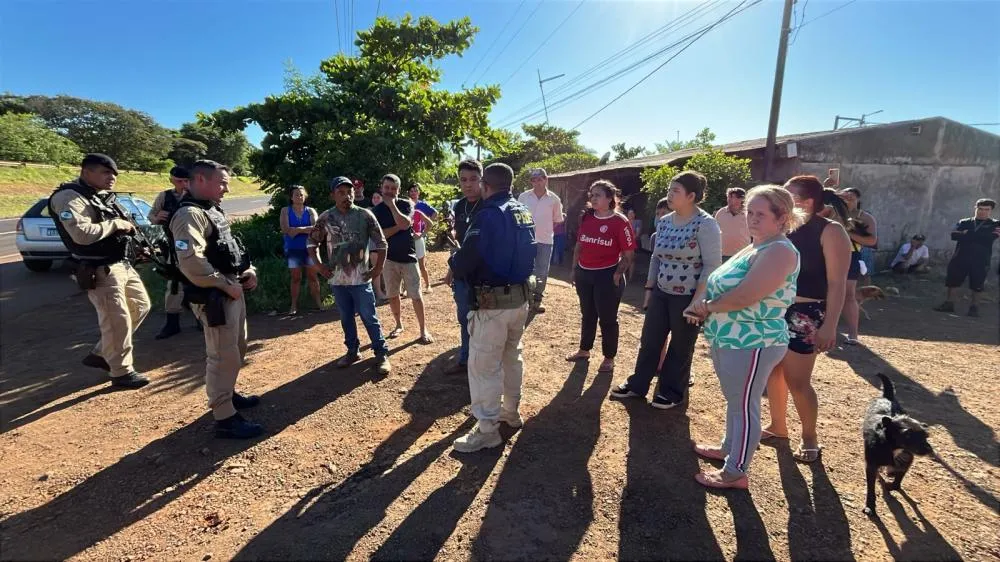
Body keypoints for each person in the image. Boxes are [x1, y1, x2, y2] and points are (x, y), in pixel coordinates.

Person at [687, 185, 803, 489]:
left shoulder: (779, 249)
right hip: (733, 337)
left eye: (760, 214)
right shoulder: (758, 245)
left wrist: (707, 307)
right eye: (750, 212)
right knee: (736, 400)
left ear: (782, 218)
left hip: (754, 340)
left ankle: (736, 470)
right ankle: (730, 448)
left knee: (744, 404)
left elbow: (747, 295)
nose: (752, 218)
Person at [610, 171, 722, 409]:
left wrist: (699, 299)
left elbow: (712, 265)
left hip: (689, 296)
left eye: (675, 191)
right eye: (669, 190)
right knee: (650, 340)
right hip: (661, 291)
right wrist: (649, 289)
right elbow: (656, 259)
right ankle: (638, 384)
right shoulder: (664, 221)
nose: (669, 195)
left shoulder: (706, 224)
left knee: (681, 346)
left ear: (691, 196)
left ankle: (671, 392)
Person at [170, 160, 262, 438]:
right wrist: (225, 285)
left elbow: (229, 250)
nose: (227, 188)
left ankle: (229, 393)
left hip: (230, 287)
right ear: (200, 179)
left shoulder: (212, 210)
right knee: (222, 354)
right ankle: (224, 417)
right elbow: (192, 262)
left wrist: (247, 271)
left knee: (236, 347)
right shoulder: (188, 215)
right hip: (214, 294)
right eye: (222, 182)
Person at [763, 175, 851, 463]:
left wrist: (830, 325)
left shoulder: (830, 231)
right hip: (775, 310)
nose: (780, 201)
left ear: (807, 202)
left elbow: (837, 284)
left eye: (787, 196)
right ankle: (778, 426)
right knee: (773, 372)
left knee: (798, 381)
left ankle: (809, 436)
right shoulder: (782, 228)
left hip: (807, 313)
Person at [449, 162, 536, 452]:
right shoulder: (522, 210)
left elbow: (465, 261)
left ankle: (487, 429)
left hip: (492, 305)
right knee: (512, 357)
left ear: (486, 185)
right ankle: (510, 412)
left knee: (484, 366)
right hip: (520, 300)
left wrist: (454, 262)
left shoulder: (487, 214)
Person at [49, 153, 151, 389]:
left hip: (122, 263)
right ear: (86, 172)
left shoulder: (101, 197)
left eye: (114, 173)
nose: (112, 177)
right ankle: (121, 372)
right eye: (106, 172)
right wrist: (116, 224)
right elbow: (82, 234)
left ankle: (102, 353)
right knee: (117, 320)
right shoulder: (69, 197)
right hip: (98, 268)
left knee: (140, 306)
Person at [308, 177, 391, 374]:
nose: (347, 196)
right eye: (341, 192)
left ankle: (381, 354)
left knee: (369, 317)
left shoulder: (365, 215)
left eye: (350, 192)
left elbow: (382, 243)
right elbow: (311, 244)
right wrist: (319, 266)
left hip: (361, 278)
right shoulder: (326, 218)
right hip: (337, 280)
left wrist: (378, 268)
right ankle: (352, 351)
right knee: (346, 317)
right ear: (333, 195)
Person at [565, 180, 637, 373]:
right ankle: (584, 350)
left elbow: (628, 254)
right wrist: (574, 269)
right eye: (591, 194)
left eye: (597, 195)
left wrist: (617, 274)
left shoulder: (620, 222)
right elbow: (580, 245)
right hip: (584, 273)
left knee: (607, 318)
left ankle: (609, 357)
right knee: (587, 314)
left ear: (609, 198)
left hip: (607, 275)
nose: (593, 198)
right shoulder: (587, 218)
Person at [372, 174, 432, 343]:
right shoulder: (376, 211)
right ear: (382, 188)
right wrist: (398, 227)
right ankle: (398, 324)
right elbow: (380, 235)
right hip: (388, 259)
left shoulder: (406, 203)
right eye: (387, 188)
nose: (389, 191)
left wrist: (392, 206)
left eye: (393, 188)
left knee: (416, 295)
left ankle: (423, 329)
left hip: (409, 257)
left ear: (398, 189)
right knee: (392, 294)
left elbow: (406, 223)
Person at [443, 159, 484, 375]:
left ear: (481, 179)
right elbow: (458, 243)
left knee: (484, 320)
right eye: (463, 180)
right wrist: (452, 269)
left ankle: (481, 363)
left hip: (484, 275)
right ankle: (465, 359)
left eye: (473, 179)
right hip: (462, 273)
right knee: (464, 317)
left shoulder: (489, 205)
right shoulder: (459, 206)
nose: (468, 184)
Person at [148, 165, 198, 340]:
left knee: (198, 279)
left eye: (186, 181)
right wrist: (156, 218)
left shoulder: (197, 194)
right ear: (172, 180)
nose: (183, 184)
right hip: (174, 246)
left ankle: (201, 317)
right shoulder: (165, 196)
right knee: (175, 283)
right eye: (179, 181)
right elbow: (151, 216)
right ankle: (172, 322)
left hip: (196, 245)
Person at [934, 198, 1000, 317]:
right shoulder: (964, 222)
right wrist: (978, 236)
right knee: (952, 281)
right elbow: (954, 235)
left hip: (981, 259)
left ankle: (974, 308)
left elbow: (990, 238)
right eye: (980, 209)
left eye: (986, 210)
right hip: (961, 256)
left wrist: (967, 234)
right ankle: (949, 304)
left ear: (991, 211)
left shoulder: (995, 224)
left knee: (977, 284)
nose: (983, 212)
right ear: (975, 208)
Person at [518, 168, 563, 313]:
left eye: (540, 179)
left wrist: (545, 229)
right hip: (525, 240)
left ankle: (537, 301)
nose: (537, 182)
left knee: (542, 272)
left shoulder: (554, 199)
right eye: (533, 179)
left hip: (545, 241)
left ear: (546, 179)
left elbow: (557, 220)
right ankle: (524, 300)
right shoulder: (523, 197)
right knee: (524, 268)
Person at [837, 187, 877, 345]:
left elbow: (872, 241)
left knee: (848, 295)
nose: (847, 200)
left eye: (851, 197)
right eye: (844, 197)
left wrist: (847, 233)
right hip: (824, 254)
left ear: (858, 199)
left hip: (849, 255)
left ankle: (853, 334)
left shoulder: (865, 218)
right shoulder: (832, 212)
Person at [279, 185, 322, 314]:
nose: (299, 197)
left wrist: (297, 230)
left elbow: (316, 228)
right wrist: (305, 229)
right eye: (296, 194)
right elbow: (286, 229)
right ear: (291, 197)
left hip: (310, 248)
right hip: (293, 249)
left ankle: (319, 303)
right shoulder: (285, 211)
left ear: (306, 196)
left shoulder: (311, 211)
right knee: (296, 278)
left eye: (302, 194)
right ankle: (293, 305)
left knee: (313, 276)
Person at [408, 183, 438, 293]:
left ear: (418, 192)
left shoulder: (420, 208)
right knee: (408, 264)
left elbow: (434, 215)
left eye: (415, 190)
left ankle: (427, 285)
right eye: (411, 191)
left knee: (421, 264)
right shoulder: (405, 209)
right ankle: (409, 288)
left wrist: (423, 231)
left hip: (418, 237)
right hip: (407, 240)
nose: (413, 193)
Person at [714, 187, 750, 261]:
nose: (732, 200)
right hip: (722, 255)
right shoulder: (721, 212)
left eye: (737, 197)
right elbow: (714, 232)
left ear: (743, 199)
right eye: (730, 197)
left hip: (742, 255)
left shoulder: (748, 214)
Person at [624, 208, 641, 278]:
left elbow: (637, 234)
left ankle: (630, 278)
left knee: (632, 260)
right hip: (624, 244)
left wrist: (628, 240)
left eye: (632, 213)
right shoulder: (624, 221)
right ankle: (623, 276)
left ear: (635, 214)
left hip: (634, 243)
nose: (631, 214)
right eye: (629, 213)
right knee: (624, 260)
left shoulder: (638, 222)